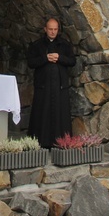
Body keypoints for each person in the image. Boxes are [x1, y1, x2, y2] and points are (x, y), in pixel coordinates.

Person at [26, 18, 76, 148]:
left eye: (55, 29)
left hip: (60, 86)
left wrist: (60, 58)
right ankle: (40, 142)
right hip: (43, 86)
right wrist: (45, 58)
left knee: (61, 114)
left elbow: (72, 61)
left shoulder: (65, 45)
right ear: (45, 29)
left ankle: (61, 143)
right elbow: (31, 62)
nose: (53, 32)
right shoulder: (37, 45)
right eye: (50, 29)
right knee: (42, 113)